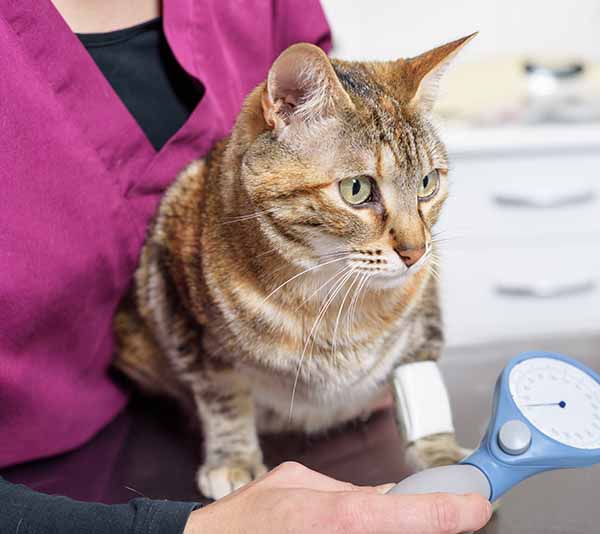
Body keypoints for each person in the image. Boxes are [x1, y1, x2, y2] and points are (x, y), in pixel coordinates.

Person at [0, 1, 492, 532]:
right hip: (53, 477)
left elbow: (357, 125)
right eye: (359, 192)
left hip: (344, 431)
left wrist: (428, 431)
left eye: (427, 188)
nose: (411, 241)